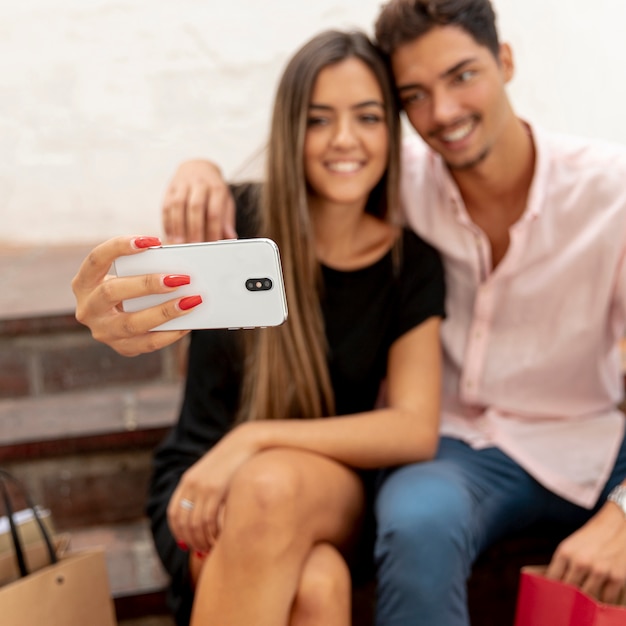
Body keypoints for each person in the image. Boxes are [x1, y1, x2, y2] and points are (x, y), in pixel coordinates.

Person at [155, 1, 626, 625]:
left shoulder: (608, 192)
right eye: (417, 95)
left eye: (462, 76)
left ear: (505, 61)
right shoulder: (369, 184)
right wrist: (200, 170)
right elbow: (288, 179)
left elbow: (408, 424)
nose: (444, 112)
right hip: (445, 452)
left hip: (581, 437)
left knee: (298, 532)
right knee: (378, 544)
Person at [72, 29, 446, 626]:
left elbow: (412, 428)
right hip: (202, 479)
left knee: (269, 486)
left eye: (368, 117)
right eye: (319, 120)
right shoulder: (236, 222)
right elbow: (131, 303)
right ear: (290, 129)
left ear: (390, 131)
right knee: (318, 586)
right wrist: (112, 306)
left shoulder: (411, 263)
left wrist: (252, 440)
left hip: (324, 486)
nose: (344, 140)